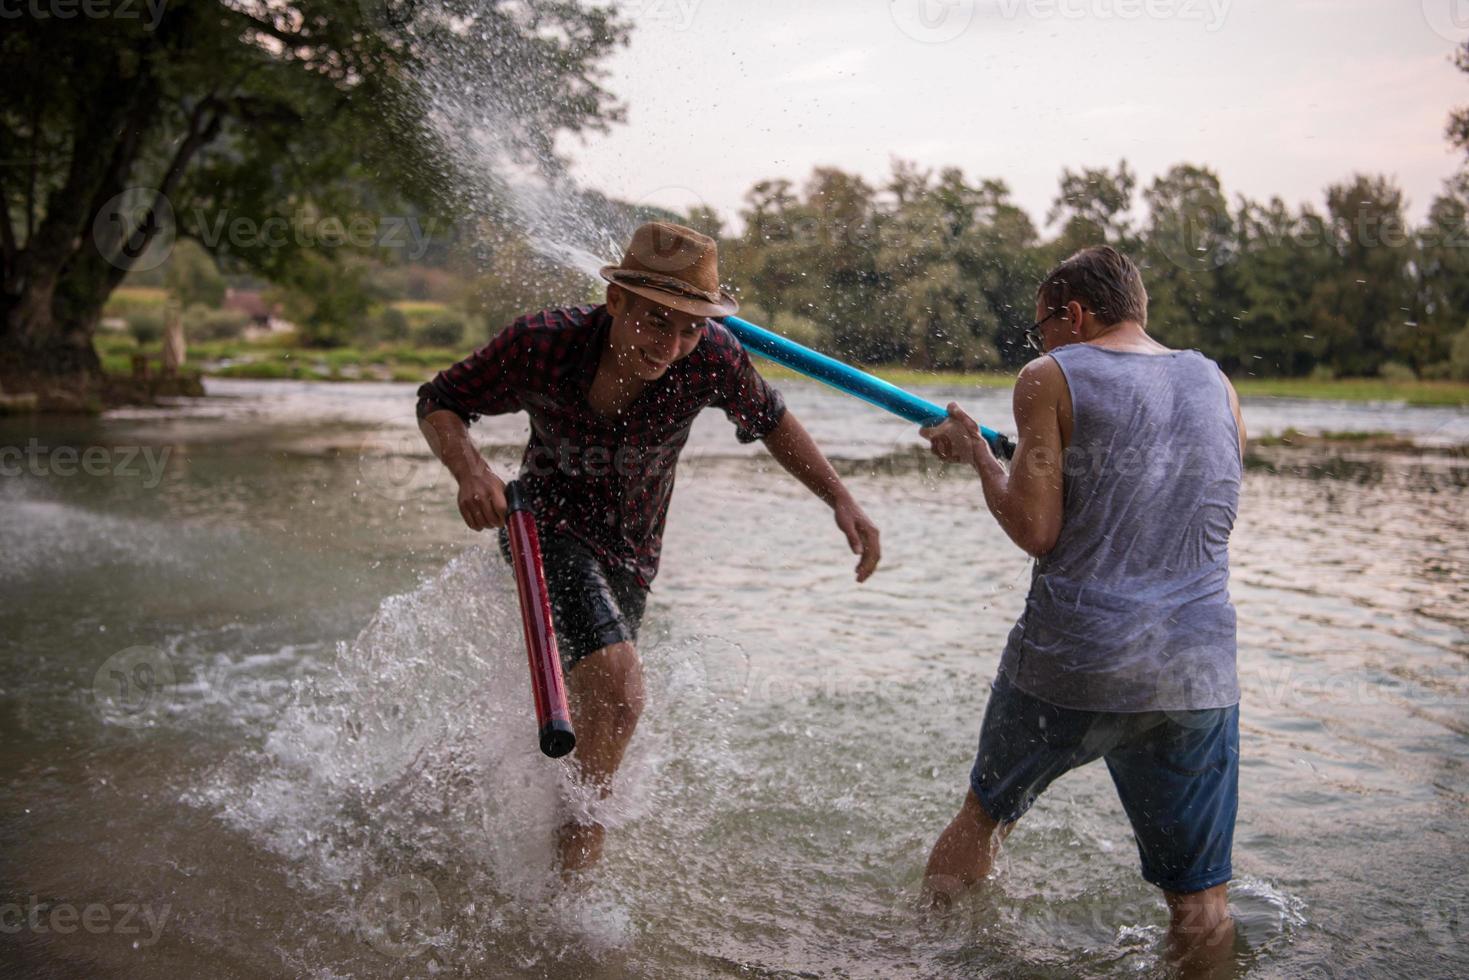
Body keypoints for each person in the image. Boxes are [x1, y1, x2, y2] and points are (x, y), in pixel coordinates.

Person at [416, 221, 881, 874]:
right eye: (655, 321)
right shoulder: (540, 343)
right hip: (541, 528)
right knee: (623, 692)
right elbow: (440, 400)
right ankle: (578, 882)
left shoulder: (712, 357)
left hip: (632, 555)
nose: (671, 344)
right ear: (616, 303)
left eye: (689, 326)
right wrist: (470, 470)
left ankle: (450, 790)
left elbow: (771, 420)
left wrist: (840, 498)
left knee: (595, 718)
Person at [917, 246, 1246, 976]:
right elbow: (1201, 507)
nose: (1038, 343)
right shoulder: (1214, 383)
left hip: (1074, 661)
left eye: (1041, 326)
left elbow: (1036, 530)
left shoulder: (1049, 375)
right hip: (1197, 671)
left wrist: (976, 453)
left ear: (1071, 313)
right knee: (1199, 902)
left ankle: (924, 955)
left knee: (982, 819)